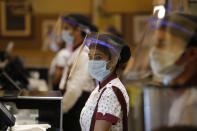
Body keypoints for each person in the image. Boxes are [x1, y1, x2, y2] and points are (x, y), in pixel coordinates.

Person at [80, 33, 131, 131]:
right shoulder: (100, 87)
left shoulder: (111, 92)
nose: (92, 61)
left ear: (112, 62)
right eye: (90, 57)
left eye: (98, 57)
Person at [58, 14, 98, 131]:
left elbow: (75, 89)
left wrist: (60, 110)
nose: (63, 32)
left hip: (76, 108)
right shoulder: (77, 52)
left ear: (78, 30)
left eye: (66, 28)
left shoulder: (84, 55)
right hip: (72, 107)